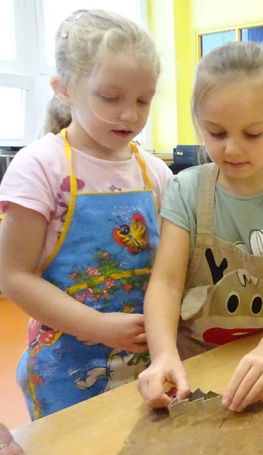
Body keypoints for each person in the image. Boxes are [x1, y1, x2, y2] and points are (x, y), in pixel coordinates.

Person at [0, 10, 171, 419]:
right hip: (65, 374)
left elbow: (171, 271)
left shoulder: (156, 173)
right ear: (64, 88)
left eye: (143, 100)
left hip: (146, 368)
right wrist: (97, 326)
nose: (130, 114)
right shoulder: (41, 167)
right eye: (110, 97)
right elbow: (13, 277)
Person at [136, 42, 263, 413]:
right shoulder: (185, 189)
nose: (233, 149)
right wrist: (163, 354)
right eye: (217, 133)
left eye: (252, 134)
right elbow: (166, 282)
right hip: (195, 366)